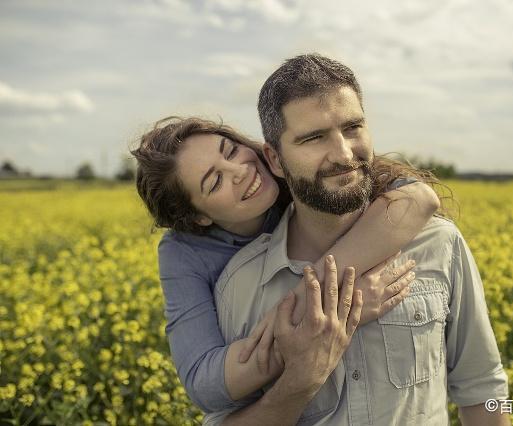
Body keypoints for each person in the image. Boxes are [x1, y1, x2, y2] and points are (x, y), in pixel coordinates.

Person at [205, 53, 510, 425]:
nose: (344, 154)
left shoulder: (438, 243)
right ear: (275, 159)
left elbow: (483, 392)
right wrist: (301, 378)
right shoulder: (240, 284)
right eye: (314, 138)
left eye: (352, 127)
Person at [131, 117, 443, 412]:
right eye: (215, 182)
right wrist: (334, 314)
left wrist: (312, 293)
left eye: (231, 150)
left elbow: (418, 198)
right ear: (199, 217)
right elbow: (204, 382)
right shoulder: (183, 252)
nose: (239, 170)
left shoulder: (295, 172)